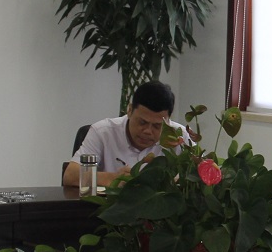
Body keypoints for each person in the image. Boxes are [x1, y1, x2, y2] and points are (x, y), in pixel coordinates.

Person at [62, 80, 190, 188]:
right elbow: (70, 176)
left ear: (168, 120)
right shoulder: (103, 132)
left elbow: (198, 176)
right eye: (142, 122)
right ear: (129, 110)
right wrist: (113, 178)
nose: (148, 131)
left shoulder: (179, 137)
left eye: (157, 126)